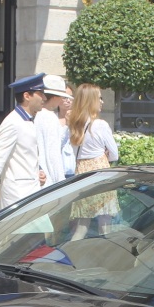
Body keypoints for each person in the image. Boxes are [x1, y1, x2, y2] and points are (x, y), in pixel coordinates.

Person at [0, 74, 49, 218]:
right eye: (40, 93)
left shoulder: (28, 121)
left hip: (31, 192)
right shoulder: (12, 122)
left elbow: (24, 154)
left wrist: (38, 171)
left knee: (37, 239)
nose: (44, 98)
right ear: (27, 96)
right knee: (24, 239)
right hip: (17, 195)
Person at [67, 83, 120, 238]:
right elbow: (114, 155)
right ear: (91, 101)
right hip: (100, 172)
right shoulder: (100, 125)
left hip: (81, 172)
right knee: (105, 225)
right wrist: (103, 154)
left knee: (82, 226)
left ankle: (70, 255)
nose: (102, 102)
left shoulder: (74, 125)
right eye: (99, 98)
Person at [34, 74, 70, 190]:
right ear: (55, 97)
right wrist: (60, 182)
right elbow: (53, 154)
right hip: (48, 179)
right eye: (61, 97)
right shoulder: (49, 117)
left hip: (38, 175)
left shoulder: (36, 114)